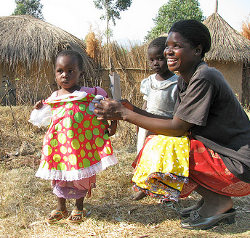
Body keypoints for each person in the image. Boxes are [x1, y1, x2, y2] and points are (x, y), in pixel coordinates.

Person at [94, 20, 250, 230]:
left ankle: (219, 202)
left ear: (197, 50)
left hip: (237, 164)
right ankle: (212, 198)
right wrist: (131, 109)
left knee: (161, 147)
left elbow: (177, 129)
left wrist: (124, 114)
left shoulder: (204, 77)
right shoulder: (186, 80)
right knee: (163, 143)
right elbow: (174, 122)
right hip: (224, 156)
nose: (168, 52)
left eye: (176, 46)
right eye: (167, 46)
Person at [31, 50, 118, 223]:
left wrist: (112, 125)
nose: (65, 75)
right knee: (60, 176)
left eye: (70, 71)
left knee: (81, 176)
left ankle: (79, 206)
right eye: (60, 71)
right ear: (55, 73)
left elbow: (109, 109)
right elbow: (40, 120)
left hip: (81, 147)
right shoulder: (54, 98)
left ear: (80, 73)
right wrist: (38, 108)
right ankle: (61, 207)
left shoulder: (90, 94)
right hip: (58, 147)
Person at [133, 36, 179, 201]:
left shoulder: (177, 83)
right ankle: (143, 188)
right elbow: (145, 104)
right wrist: (139, 122)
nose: (155, 63)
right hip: (147, 126)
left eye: (160, 58)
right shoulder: (148, 82)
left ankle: (164, 191)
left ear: (169, 56)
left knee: (164, 160)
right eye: (151, 60)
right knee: (145, 157)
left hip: (166, 127)